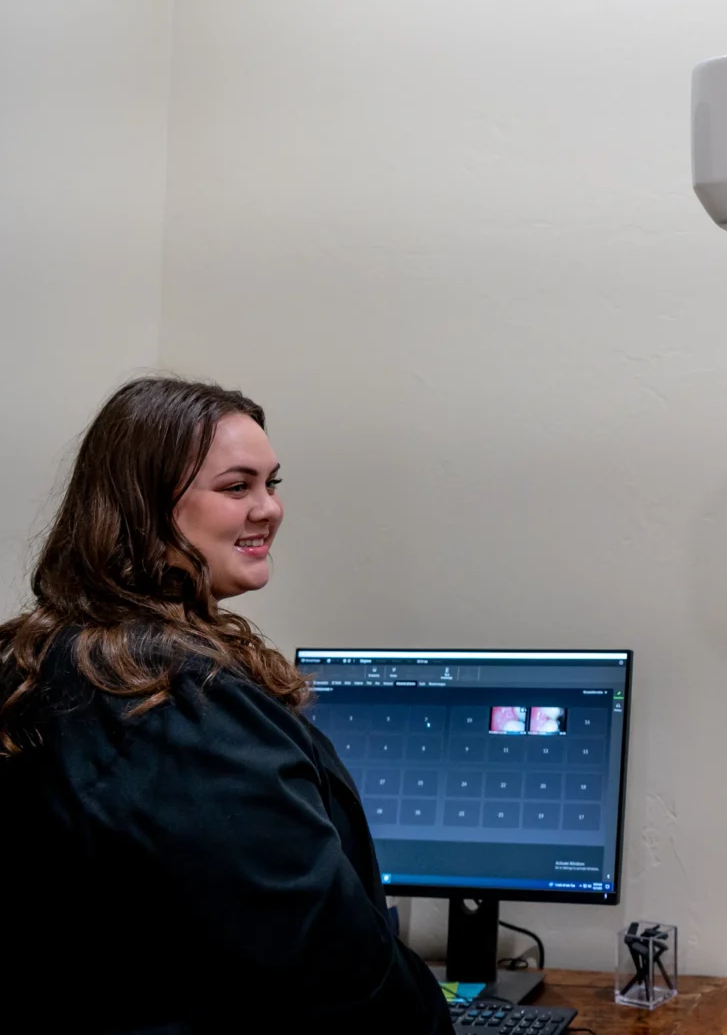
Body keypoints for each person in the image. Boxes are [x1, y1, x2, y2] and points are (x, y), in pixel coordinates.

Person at [0, 377, 452, 1035]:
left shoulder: (43, 656)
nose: (269, 509)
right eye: (237, 487)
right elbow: (329, 960)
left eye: (272, 483)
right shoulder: (174, 700)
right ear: (145, 506)